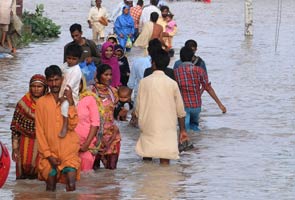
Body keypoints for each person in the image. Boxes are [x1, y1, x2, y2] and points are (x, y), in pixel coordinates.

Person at [135, 49, 188, 165]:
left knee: (147, 156)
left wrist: (140, 120)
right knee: (165, 158)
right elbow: (180, 110)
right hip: (167, 126)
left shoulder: (143, 82)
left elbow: (137, 108)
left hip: (149, 124)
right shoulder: (172, 84)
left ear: (153, 63)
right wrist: (182, 130)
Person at [35, 65, 81, 191]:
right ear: (46, 82)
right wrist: (48, 155)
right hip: (49, 153)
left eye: (56, 80)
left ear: (62, 79)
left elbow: (73, 125)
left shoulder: (69, 99)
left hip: (69, 151)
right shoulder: (41, 103)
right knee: (50, 188)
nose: (54, 84)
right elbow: (39, 132)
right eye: (50, 80)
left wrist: (71, 102)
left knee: (71, 185)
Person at [174, 46, 226, 132]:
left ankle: (186, 143)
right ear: (192, 57)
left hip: (183, 106)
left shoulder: (176, 72)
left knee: (184, 129)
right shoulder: (199, 70)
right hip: (196, 106)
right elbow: (208, 87)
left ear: (181, 58)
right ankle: (198, 142)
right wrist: (220, 104)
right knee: (194, 127)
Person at [10, 74, 47, 179]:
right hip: (24, 142)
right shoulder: (22, 104)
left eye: (39, 87)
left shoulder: (48, 103)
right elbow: (15, 128)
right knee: (23, 179)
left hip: (42, 143)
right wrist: (15, 148)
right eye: (33, 86)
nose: (36, 89)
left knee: (41, 175)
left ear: (44, 88)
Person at [90, 64, 121, 170]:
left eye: (110, 75)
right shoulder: (91, 91)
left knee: (111, 171)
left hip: (112, 135)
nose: (109, 77)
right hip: (95, 136)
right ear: (99, 75)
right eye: (106, 75)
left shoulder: (114, 92)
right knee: (94, 169)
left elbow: (115, 114)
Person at [127, 38, 162, 127]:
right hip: (156, 97)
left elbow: (131, 83)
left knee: (137, 124)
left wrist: (128, 99)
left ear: (148, 50)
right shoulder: (162, 64)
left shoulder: (138, 61)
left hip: (139, 95)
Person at [75, 76, 100, 171]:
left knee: (86, 176)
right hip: (69, 145)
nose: (76, 86)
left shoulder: (89, 99)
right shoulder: (64, 99)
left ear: (82, 84)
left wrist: (86, 144)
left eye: (78, 83)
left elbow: (95, 123)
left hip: (87, 144)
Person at [59, 43, 83, 138]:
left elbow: (69, 87)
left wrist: (63, 98)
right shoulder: (65, 66)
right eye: (69, 58)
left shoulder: (76, 71)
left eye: (74, 59)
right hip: (61, 92)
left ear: (78, 60)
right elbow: (59, 71)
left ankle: (65, 125)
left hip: (71, 96)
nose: (71, 61)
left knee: (65, 106)